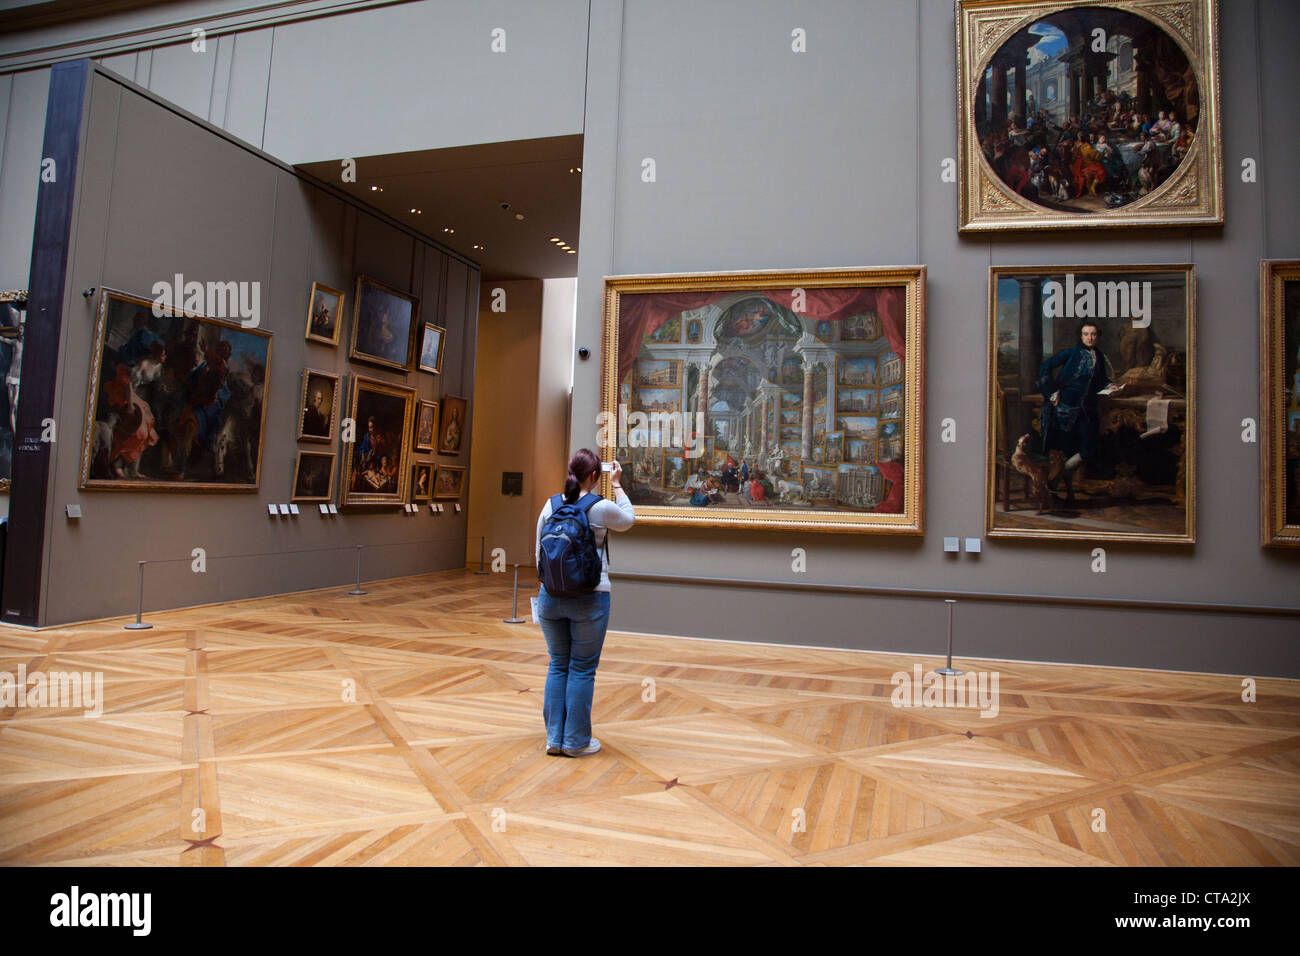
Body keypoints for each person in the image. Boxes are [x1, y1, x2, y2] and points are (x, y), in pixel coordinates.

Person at [535, 449, 635, 757]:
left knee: (557, 664)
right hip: (590, 598)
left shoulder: (550, 506)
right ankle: (576, 742)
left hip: (550, 597)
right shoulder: (600, 507)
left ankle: (554, 738)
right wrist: (617, 484)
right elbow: (629, 520)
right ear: (595, 476)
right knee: (581, 668)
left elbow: (538, 555)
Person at [1036, 321, 1121, 504]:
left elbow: (1100, 379)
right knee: (1067, 448)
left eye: (1093, 334)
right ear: (1081, 336)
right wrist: (1051, 392)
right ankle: (1057, 485)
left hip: (1088, 408)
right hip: (1066, 407)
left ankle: (1055, 480)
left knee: (1089, 450)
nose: (1090, 337)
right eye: (1086, 334)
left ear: (1098, 336)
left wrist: (1109, 385)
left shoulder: (1098, 354)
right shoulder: (1071, 353)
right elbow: (1045, 367)